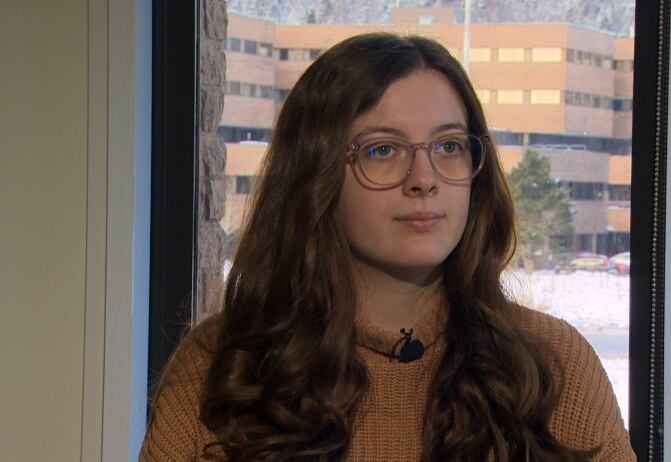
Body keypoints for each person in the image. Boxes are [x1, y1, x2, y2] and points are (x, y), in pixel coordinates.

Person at [140, 33, 636, 462]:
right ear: (318, 176)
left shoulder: (554, 367)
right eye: (382, 150)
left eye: (449, 147)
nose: (424, 179)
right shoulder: (224, 366)